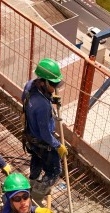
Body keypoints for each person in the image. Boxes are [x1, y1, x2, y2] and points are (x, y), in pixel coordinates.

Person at [22, 58, 66, 197]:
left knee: (37, 158)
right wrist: (58, 145)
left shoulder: (29, 85)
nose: (55, 87)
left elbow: (29, 102)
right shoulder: (43, 106)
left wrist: (51, 99)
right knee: (54, 170)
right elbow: (45, 134)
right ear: (43, 82)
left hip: (30, 135)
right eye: (53, 84)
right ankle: (39, 192)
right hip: (43, 141)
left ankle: (33, 180)